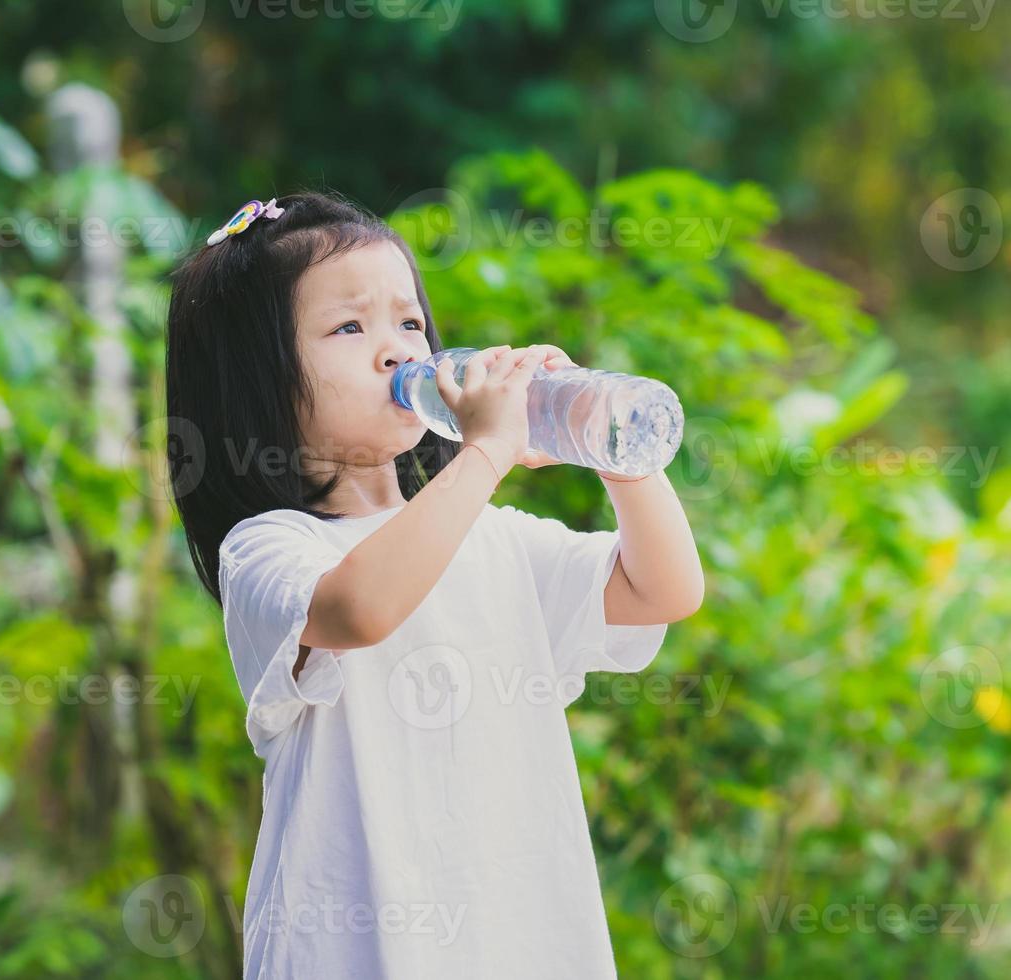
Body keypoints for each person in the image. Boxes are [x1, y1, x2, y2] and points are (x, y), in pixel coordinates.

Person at [163, 190, 705, 978]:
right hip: (357, 952)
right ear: (259, 384)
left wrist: (609, 441)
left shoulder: (496, 540)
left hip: (515, 945)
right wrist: (485, 455)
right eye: (349, 327)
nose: (395, 351)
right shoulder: (274, 549)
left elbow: (662, 590)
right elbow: (362, 606)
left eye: (408, 322)